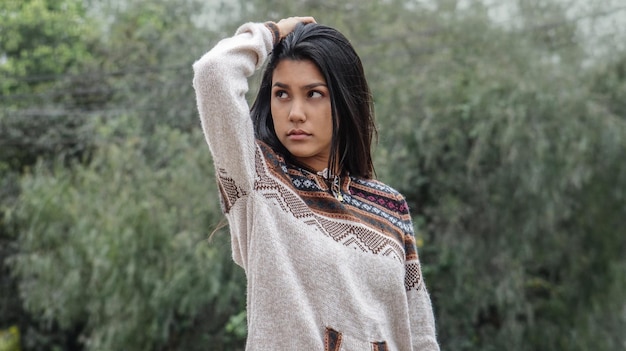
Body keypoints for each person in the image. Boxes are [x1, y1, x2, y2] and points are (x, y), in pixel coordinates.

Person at [193, 16, 439, 350]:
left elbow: (420, 335)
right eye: (282, 94)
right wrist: (272, 33)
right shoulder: (258, 179)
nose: (295, 112)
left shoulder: (390, 207)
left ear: (342, 101)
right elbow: (213, 72)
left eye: (313, 94)